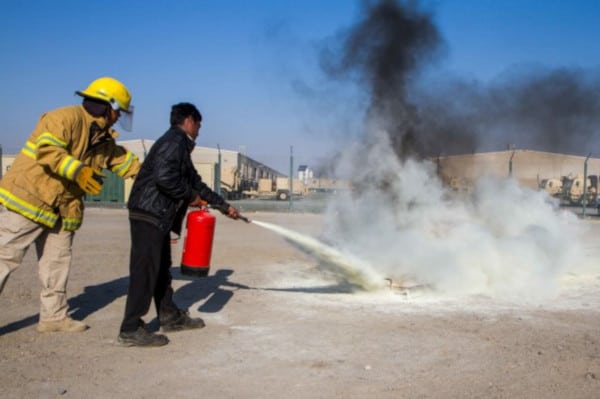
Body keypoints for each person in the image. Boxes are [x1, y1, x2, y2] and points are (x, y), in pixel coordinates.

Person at [0, 77, 141, 332]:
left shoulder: (102, 138)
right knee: (4, 258)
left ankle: (53, 318)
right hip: (30, 200)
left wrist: (153, 175)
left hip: (63, 209)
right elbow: (48, 151)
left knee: (57, 264)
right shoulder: (64, 118)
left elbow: (124, 162)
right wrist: (78, 171)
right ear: (106, 105)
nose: (119, 116)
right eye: (118, 110)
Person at [118, 102, 240, 347]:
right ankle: (130, 328)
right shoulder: (174, 142)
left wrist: (223, 205)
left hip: (157, 215)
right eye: (198, 125)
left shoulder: (180, 146)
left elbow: (195, 182)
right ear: (188, 121)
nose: (199, 130)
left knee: (161, 268)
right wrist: (190, 196)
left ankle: (169, 316)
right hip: (149, 213)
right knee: (146, 271)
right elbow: (165, 178)